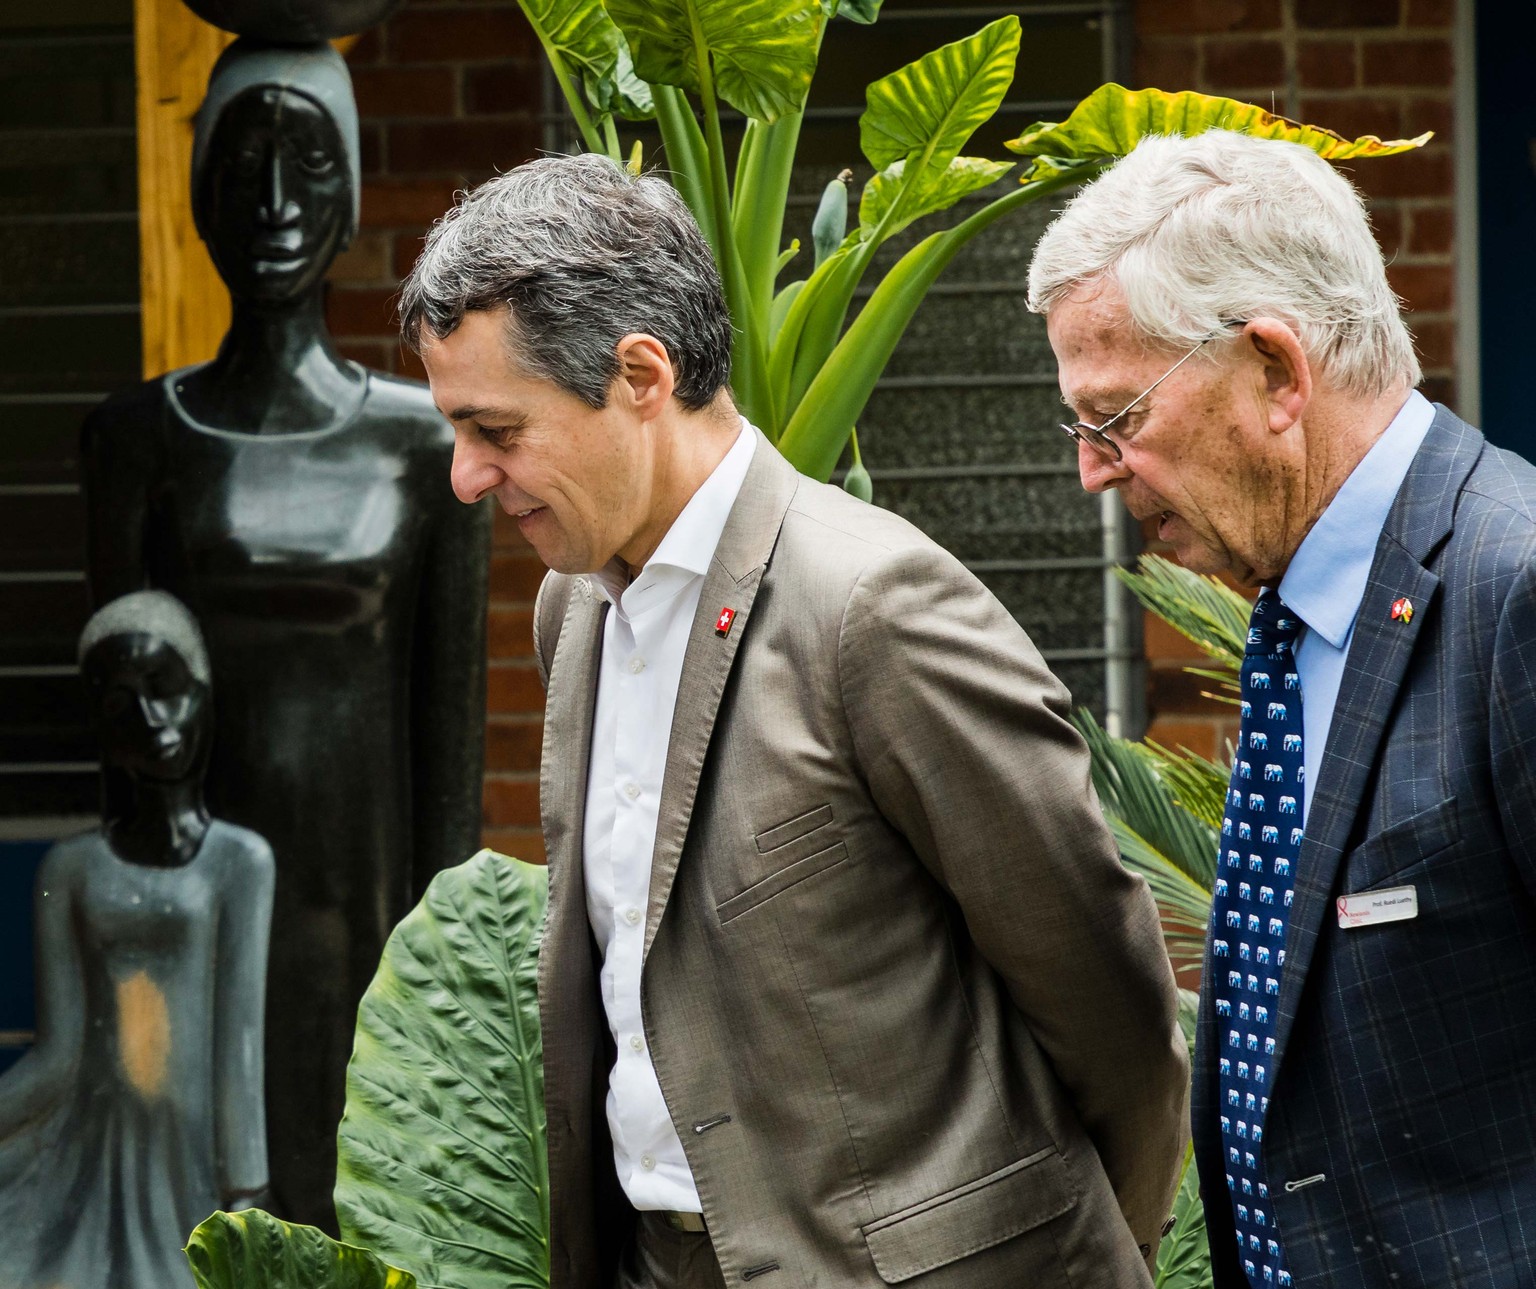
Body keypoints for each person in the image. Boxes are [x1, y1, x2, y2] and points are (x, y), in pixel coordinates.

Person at [398, 153, 1188, 1289]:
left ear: (640, 373)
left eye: (497, 430)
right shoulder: (571, 608)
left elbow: (1107, 1000)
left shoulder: (874, 606)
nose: (468, 476)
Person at [1029, 128, 1536, 1289]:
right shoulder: (1297, 607)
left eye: (1115, 419)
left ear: (1275, 369)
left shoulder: (1514, 586)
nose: (1093, 473)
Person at [79, 39, 490, 1228]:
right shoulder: (138, 442)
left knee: (358, 1213)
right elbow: (118, 734)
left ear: (352, 189)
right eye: (242, 165)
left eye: (308, 165)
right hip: (192, 914)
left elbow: (451, 742)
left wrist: (447, 988)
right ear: (197, 188)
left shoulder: (422, 444)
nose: (273, 205)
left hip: (365, 916)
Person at [0, 591, 273, 1288]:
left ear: (202, 690)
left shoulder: (239, 862)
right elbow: (59, 1053)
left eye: (165, 689)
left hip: (187, 1160)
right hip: (89, 1149)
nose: (152, 719)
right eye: (122, 704)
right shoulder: (71, 868)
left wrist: (247, 1190)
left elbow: (238, 1045)